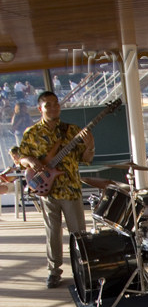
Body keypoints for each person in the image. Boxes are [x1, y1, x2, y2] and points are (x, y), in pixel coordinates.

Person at [18, 91, 95, 288]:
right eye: (48, 105)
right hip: (47, 191)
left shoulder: (71, 131)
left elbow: (85, 159)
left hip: (70, 189)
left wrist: (89, 145)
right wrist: (32, 161)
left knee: (78, 233)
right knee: (52, 232)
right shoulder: (31, 133)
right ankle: (54, 271)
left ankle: (83, 270)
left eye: (55, 104)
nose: (53, 108)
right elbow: (21, 159)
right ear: (40, 109)